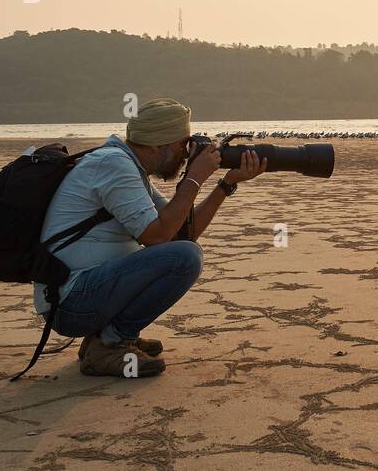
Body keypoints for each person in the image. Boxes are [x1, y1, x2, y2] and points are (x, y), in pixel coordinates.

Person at [34, 97, 268, 377]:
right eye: (183, 145)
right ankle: (111, 343)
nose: (186, 154)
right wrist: (193, 179)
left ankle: (106, 337)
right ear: (158, 144)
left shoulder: (128, 166)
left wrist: (225, 184)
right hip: (72, 303)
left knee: (183, 251)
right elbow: (158, 238)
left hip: (81, 296)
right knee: (185, 258)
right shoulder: (114, 165)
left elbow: (182, 232)